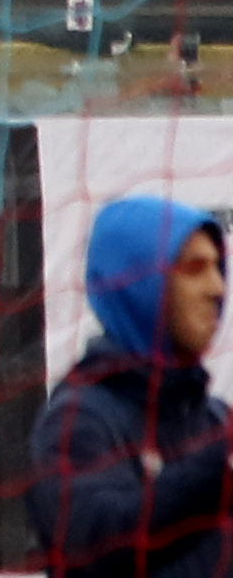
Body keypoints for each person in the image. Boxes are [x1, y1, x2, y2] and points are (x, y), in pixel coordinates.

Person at [30, 195, 231, 578]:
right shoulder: (80, 419)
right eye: (194, 268)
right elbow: (93, 542)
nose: (217, 287)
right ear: (140, 281)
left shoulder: (213, 419)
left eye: (219, 268)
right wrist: (218, 471)